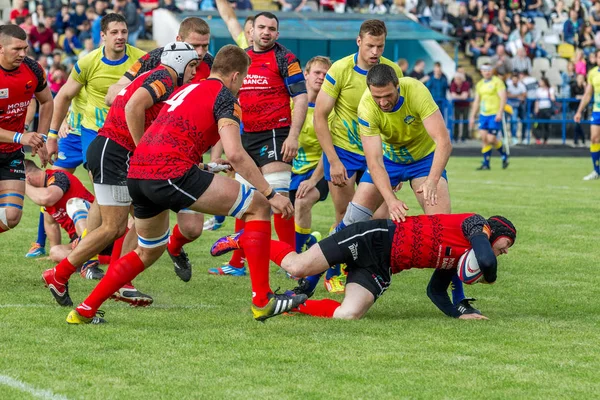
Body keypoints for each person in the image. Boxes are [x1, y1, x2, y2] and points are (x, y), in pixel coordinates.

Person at [66, 45, 306, 324]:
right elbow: (237, 153)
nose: (241, 87)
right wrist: (271, 193)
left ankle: (84, 309)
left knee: (147, 250)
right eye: (243, 80)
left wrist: (204, 165)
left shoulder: (185, 89)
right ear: (236, 76)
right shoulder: (226, 97)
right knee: (259, 205)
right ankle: (262, 301)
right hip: (168, 172)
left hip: (138, 172)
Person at [42, 42, 200, 308]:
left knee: (136, 221)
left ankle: (116, 281)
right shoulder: (164, 77)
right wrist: (143, 150)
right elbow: (133, 107)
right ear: (180, 62)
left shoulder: (161, 78)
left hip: (112, 152)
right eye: (193, 65)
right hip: (114, 154)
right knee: (114, 227)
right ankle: (60, 274)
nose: (196, 71)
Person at [212, 213, 517, 320]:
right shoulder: (476, 224)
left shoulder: (461, 257)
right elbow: (487, 260)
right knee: (298, 266)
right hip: (375, 237)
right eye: (506, 247)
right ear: (496, 233)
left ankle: (291, 305)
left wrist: (458, 313)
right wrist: (488, 277)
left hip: (382, 266)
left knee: (348, 315)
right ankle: (245, 238)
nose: (503, 253)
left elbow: (436, 291)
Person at [213, 12, 309, 277]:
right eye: (262, 27)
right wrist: (220, 148)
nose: (266, 32)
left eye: (272, 29)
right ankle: (235, 264)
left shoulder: (286, 58)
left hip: (276, 134)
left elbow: (301, 98)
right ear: (251, 31)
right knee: (245, 201)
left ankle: (293, 264)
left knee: (279, 198)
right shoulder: (241, 59)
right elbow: (224, 103)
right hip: (245, 136)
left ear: (277, 34)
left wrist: (293, 135)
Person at [313, 20, 403, 292]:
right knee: (344, 215)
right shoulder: (340, 69)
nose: (375, 51)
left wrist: (395, 165)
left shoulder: (392, 70)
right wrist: (334, 160)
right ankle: (333, 271)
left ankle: (362, 266)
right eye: (370, 45)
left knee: (379, 216)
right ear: (359, 42)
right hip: (344, 153)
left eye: (380, 46)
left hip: (378, 153)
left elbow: (396, 117)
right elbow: (320, 115)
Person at [0, 24, 52, 236]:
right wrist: (22, 137)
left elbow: (47, 101)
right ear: (1, 48)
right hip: (16, 140)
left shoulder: (33, 69)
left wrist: (42, 138)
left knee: (11, 217)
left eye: (25, 48)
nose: (23, 54)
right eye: (16, 49)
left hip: (11, 153)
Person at [105, 17, 213, 106]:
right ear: (178, 39)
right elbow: (111, 97)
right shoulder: (155, 58)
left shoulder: (211, 63)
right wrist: (149, 88)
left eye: (205, 46)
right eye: (194, 45)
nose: (199, 52)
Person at [289, 56, 332, 254]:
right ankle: (310, 241)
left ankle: (297, 258)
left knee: (302, 201)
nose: (321, 77)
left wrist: (313, 180)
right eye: (317, 73)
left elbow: (329, 150)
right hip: (292, 170)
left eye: (326, 74)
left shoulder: (331, 110)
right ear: (306, 74)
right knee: (285, 212)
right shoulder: (292, 103)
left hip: (320, 171)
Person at [24, 160, 95, 264]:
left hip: (96, 226)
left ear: (27, 178)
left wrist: (23, 185)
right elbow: (51, 224)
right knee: (55, 252)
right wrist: (54, 252)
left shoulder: (58, 177)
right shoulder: (46, 191)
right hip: (78, 240)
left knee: (74, 203)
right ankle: (91, 257)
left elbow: (46, 198)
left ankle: (90, 257)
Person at [470, 64, 509, 170]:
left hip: (494, 114)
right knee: (484, 138)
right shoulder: (480, 84)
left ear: (492, 71)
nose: (487, 72)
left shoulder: (497, 82)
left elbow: (503, 97)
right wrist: (472, 116)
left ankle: (504, 154)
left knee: (491, 139)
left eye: (489, 70)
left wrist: (500, 112)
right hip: (483, 115)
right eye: (484, 70)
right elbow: (477, 101)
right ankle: (486, 163)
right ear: (481, 72)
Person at [574, 51, 600, 180]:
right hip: (597, 110)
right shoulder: (593, 73)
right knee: (594, 138)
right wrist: (579, 111)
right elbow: (588, 94)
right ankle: (596, 170)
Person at [450, 72, 472, 143]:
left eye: (459, 79)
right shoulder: (453, 84)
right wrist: (461, 97)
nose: (457, 81)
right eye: (456, 79)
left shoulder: (466, 84)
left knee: (465, 119)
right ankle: (455, 136)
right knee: (456, 120)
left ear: (461, 79)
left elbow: (465, 96)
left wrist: (457, 97)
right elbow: (453, 95)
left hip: (465, 105)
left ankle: (464, 137)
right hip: (457, 105)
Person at [505, 72, 527, 145]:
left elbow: (524, 95)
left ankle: (523, 137)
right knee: (513, 120)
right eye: (513, 80)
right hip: (511, 106)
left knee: (524, 120)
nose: (514, 81)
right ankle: (513, 137)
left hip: (520, 106)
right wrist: (517, 96)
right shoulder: (509, 85)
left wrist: (514, 95)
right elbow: (508, 95)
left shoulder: (521, 85)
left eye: (516, 80)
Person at [533, 77, 555, 145]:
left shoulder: (550, 89)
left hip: (547, 109)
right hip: (540, 109)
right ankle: (538, 138)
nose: (539, 83)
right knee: (538, 124)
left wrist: (551, 95)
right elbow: (537, 100)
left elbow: (553, 98)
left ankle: (545, 139)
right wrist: (536, 108)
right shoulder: (538, 90)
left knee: (546, 125)